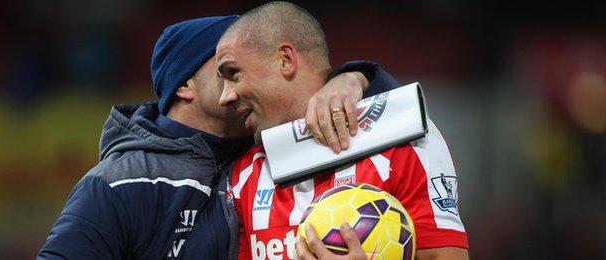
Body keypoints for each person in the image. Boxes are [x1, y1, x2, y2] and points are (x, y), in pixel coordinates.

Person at [38, 15, 383, 259]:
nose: (244, 79)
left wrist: (357, 77)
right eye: (227, 69)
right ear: (185, 86)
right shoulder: (119, 184)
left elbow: (396, 118)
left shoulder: (259, 152)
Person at [216, 2, 469, 260]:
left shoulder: (403, 142)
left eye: (233, 73)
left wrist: (359, 75)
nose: (225, 97)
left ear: (285, 59)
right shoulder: (242, 176)